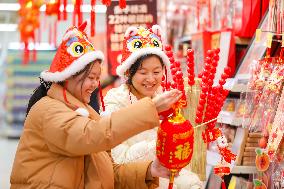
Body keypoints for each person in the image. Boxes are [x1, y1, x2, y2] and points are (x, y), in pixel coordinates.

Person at [10, 22, 183, 189]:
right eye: (90, 78)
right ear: (68, 76)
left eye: (97, 78)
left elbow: (108, 173)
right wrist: (151, 109)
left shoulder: (88, 112)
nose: (94, 84)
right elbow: (90, 135)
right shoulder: (48, 109)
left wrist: (151, 170)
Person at [103, 25, 203, 189]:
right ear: (129, 72)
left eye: (156, 72)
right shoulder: (116, 103)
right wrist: (161, 143)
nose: (151, 79)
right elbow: (119, 160)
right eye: (143, 72)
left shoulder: (164, 99)